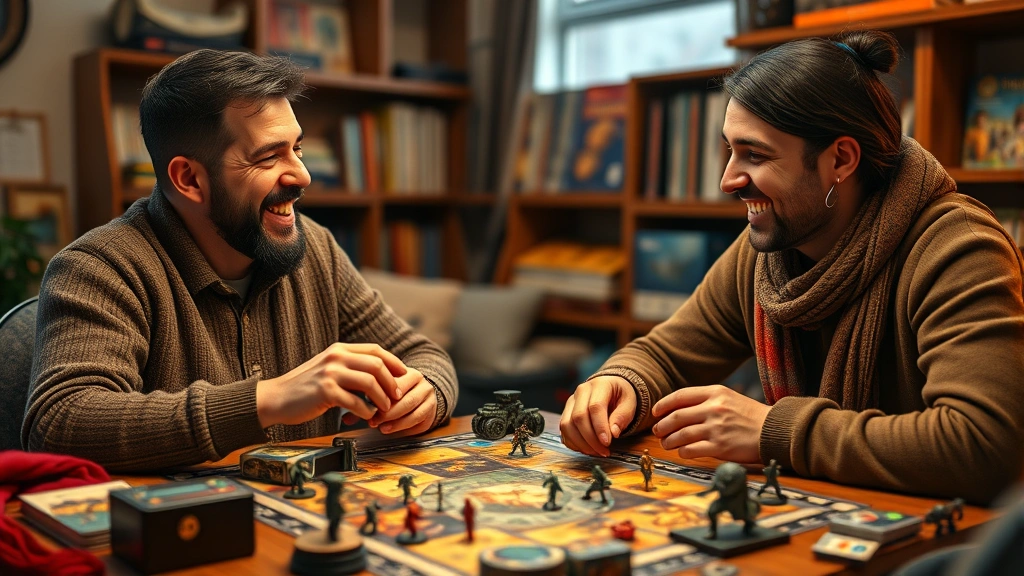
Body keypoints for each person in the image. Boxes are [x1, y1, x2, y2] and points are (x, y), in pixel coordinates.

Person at [559, 31, 1024, 504]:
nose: (727, 180)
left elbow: (984, 446)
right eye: (729, 150)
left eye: (755, 155)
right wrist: (619, 383)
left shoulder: (959, 248)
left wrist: (774, 430)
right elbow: (665, 355)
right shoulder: (765, 254)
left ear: (840, 159)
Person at [21, 50, 458, 472]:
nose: (302, 175)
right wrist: (268, 400)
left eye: (298, 149)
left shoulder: (317, 249)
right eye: (268, 156)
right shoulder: (99, 268)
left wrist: (426, 393)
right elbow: (61, 421)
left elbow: (421, 354)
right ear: (189, 179)